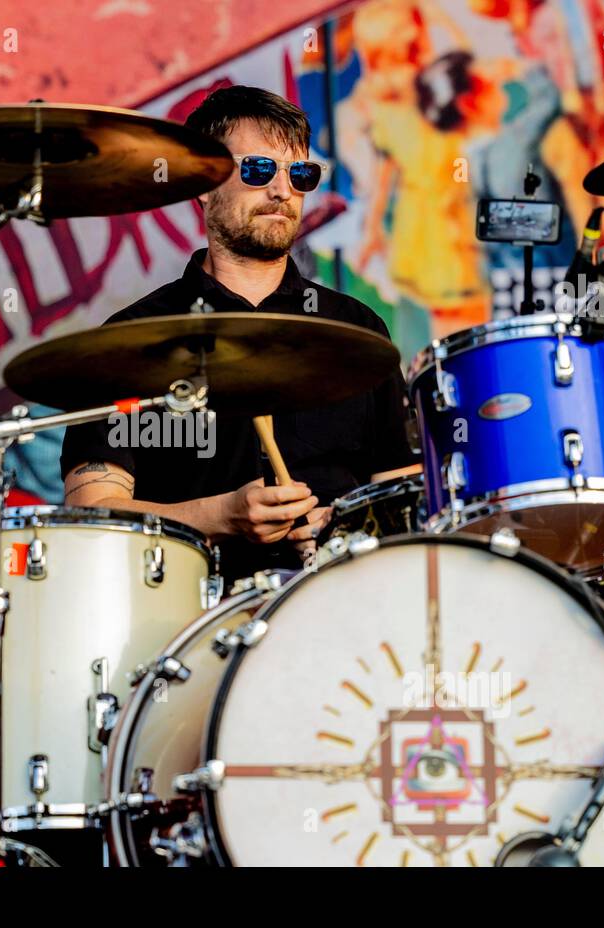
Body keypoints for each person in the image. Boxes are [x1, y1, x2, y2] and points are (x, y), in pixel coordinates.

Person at [60, 85, 414, 581]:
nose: (283, 191)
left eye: (300, 175)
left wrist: (341, 527)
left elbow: (401, 495)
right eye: (258, 170)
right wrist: (217, 517)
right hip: (184, 625)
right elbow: (91, 512)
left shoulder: (355, 331)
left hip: (339, 612)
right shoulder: (129, 342)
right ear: (205, 181)